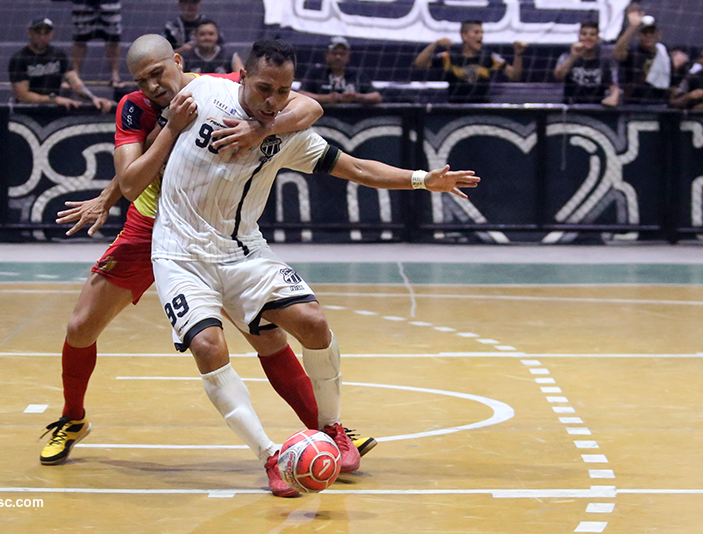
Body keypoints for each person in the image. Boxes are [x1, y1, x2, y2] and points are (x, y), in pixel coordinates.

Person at [141, 37, 478, 497]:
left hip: (242, 251)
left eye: (283, 92)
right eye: (264, 88)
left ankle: (333, 428)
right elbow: (148, 119)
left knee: (314, 323)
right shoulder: (201, 96)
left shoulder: (285, 133)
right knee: (208, 346)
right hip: (179, 253)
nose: (273, 100)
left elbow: (358, 168)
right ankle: (270, 456)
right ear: (241, 78)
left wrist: (423, 180)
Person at [39, 36, 377, 492]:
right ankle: (72, 418)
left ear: (178, 62)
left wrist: (264, 130)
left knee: (269, 336)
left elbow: (306, 108)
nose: (152, 85)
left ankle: (324, 433)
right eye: (142, 79)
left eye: (159, 73)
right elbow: (131, 174)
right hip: (153, 229)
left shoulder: (219, 89)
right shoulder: (135, 109)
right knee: (80, 328)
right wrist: (110, 193)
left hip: (220, 236)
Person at [8, 17, 115, 112]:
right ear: (30, 33)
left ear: (51, 34)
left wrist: (93, 98)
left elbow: (74, 81)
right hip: (27, 111)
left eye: (46, 33)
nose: (42, 37)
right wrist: (54, 99)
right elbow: (23, 96)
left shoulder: (58, 54)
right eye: (38, 33)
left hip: (54, 110)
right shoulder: (19, 59)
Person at [413, 20, 527, 103]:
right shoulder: (449, 57)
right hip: (453, 110)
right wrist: (435, 44)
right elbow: (419, 63)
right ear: (464, 36)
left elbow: (514, 76)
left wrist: (518, 54)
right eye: (476, 32)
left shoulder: (489, 57)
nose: (480, 36)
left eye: (481, 32)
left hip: (482, 110)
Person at [298, 36, 382, 106]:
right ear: (327, 55)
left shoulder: (357, 75)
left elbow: (376, 97)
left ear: (348, 57)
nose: (338, 57)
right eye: (334, 53)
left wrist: (357, 96)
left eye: (342, 54)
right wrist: (326, 98)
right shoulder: (316, 73)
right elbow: (301, 95)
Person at [553, 21, 620, 106]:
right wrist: (573, 57)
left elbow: (614, 85)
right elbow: (558, 76)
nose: (588, 37)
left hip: (597, 108)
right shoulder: (567, 56)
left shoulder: (605, 60)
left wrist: (614, 97)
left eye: (592, 35)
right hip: (571, 108)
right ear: (579, 37)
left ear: (598, 38)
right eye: (584, 34)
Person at [613, 11, 670, 105]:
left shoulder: (665, 54)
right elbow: (617, 52)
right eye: (644, 32)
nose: (648, 36)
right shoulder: (633, 52)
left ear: (659, 35)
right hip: (633, 103)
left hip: (659, 103)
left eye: (652, 32)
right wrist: (632, 27)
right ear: (639, 35)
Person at [69, 0, 124, 87]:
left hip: (109, 4)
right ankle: (74, 75)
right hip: (83, 4)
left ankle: (115, 76)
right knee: (80, 39)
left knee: (113, 40)